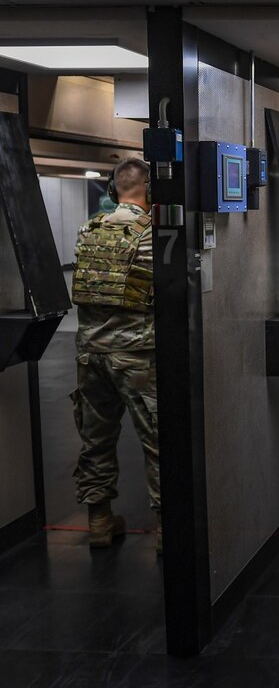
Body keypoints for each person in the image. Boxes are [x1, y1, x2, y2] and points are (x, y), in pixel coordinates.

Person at [70, 157, 160, 553]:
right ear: (150, 190)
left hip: (91, 355)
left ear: (113, 190)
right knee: (157, 443)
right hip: (137, 356)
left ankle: (100, 522)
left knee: (96, 440)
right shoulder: (151, 236)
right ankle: (166, 530)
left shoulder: (87, 230)